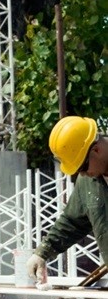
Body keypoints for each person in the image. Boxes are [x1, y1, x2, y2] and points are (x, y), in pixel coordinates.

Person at [27, 116, 108, 284]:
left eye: (83, 167)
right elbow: (72, 222)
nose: (82, 174)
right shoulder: (88, 182)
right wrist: (42, 253)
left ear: (97, 150)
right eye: (77, 170)